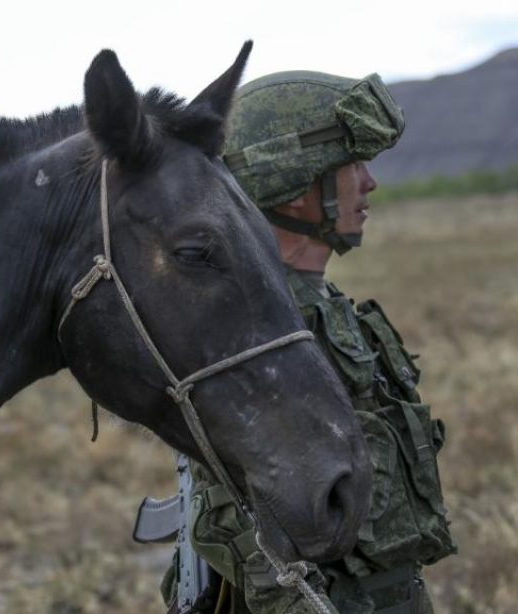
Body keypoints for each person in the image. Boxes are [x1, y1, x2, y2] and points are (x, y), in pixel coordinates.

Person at [159, 71, 457, 614]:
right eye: (351, 166)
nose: (369, 183)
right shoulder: (260, 333)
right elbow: (251, 525)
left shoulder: (316, 305)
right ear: (296, 186)